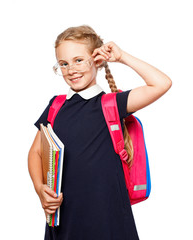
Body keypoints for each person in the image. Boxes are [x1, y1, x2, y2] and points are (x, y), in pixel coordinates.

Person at [28, 25, 172, 240]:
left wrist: (122, 57)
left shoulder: (112, 104)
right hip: (64, 218)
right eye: (64, 64)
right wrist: (40, 189)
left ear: (96, 60)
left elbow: (161, 83)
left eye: (78, 60)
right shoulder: (55, 106)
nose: (71, 69)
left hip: (107, 217)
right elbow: (36, 153)